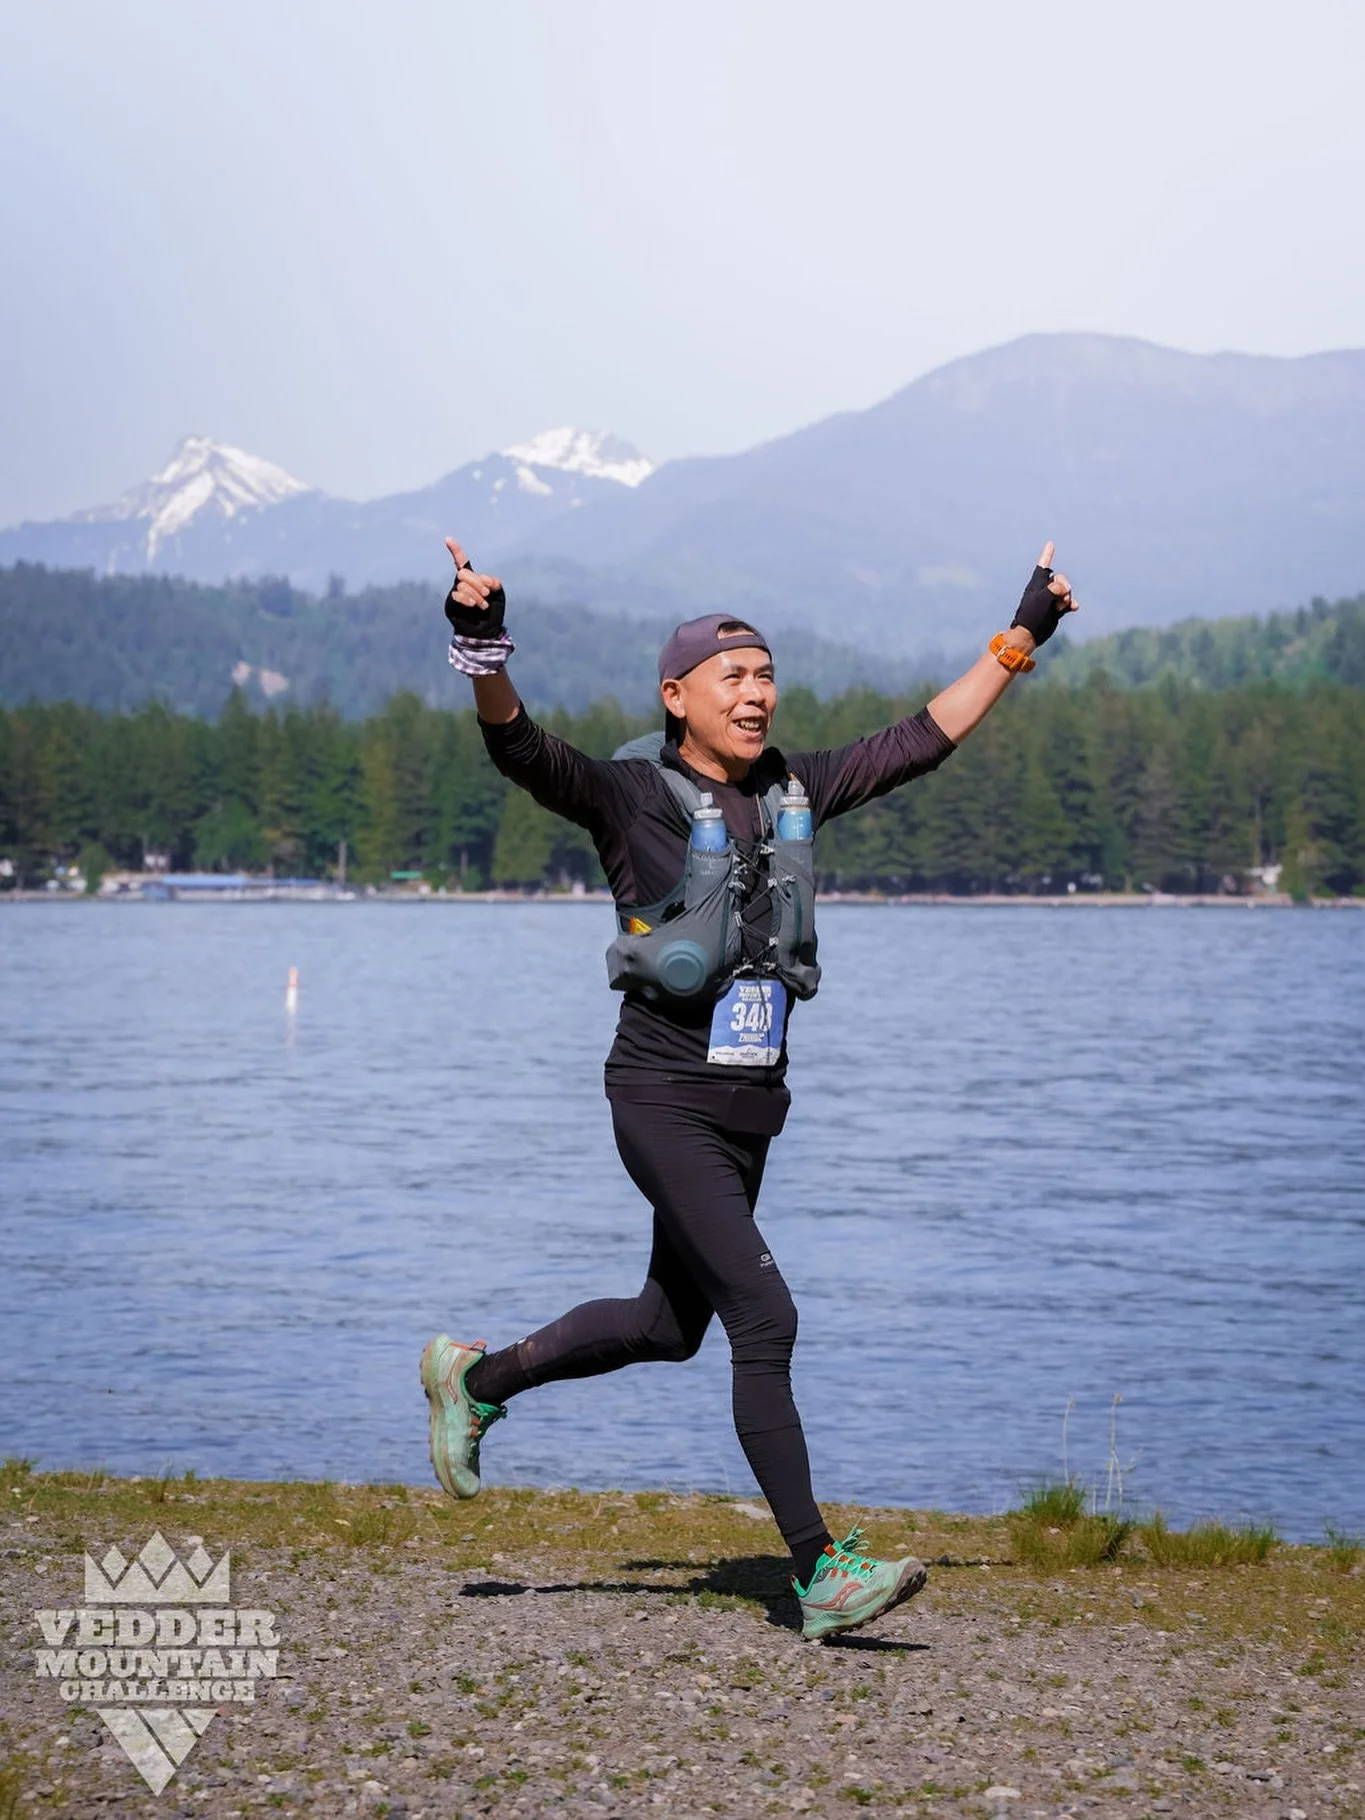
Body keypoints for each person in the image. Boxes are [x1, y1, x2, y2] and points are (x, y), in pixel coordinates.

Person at [422, 538, 1077, 1642]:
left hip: (749, 1111)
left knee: (669, 1324)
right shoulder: (631, 793)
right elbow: (522, 748)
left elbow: (924, 739)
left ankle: (475, 1377)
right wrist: (482, 641)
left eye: (767, 673)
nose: (758, 691)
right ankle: (820, 1569)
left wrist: (1021, 635)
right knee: (764, 1314)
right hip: (661, 1098)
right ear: (677, 696)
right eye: (734, 676)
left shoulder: (795, 790)